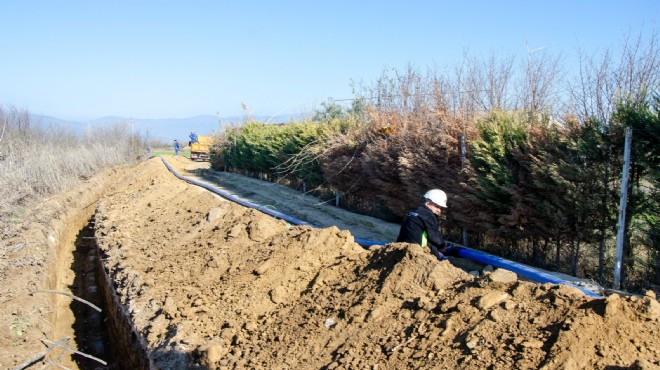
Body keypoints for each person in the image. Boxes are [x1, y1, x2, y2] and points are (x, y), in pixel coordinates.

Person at [396, 189, 450, 261]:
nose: (439, 210)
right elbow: (434, 237)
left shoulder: (415, 211)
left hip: (400, 246)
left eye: (440, 207)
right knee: (442, 261)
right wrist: (442, 246)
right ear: (428, 204)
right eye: (437, 206)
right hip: (417, 251)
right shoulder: (428, 216)